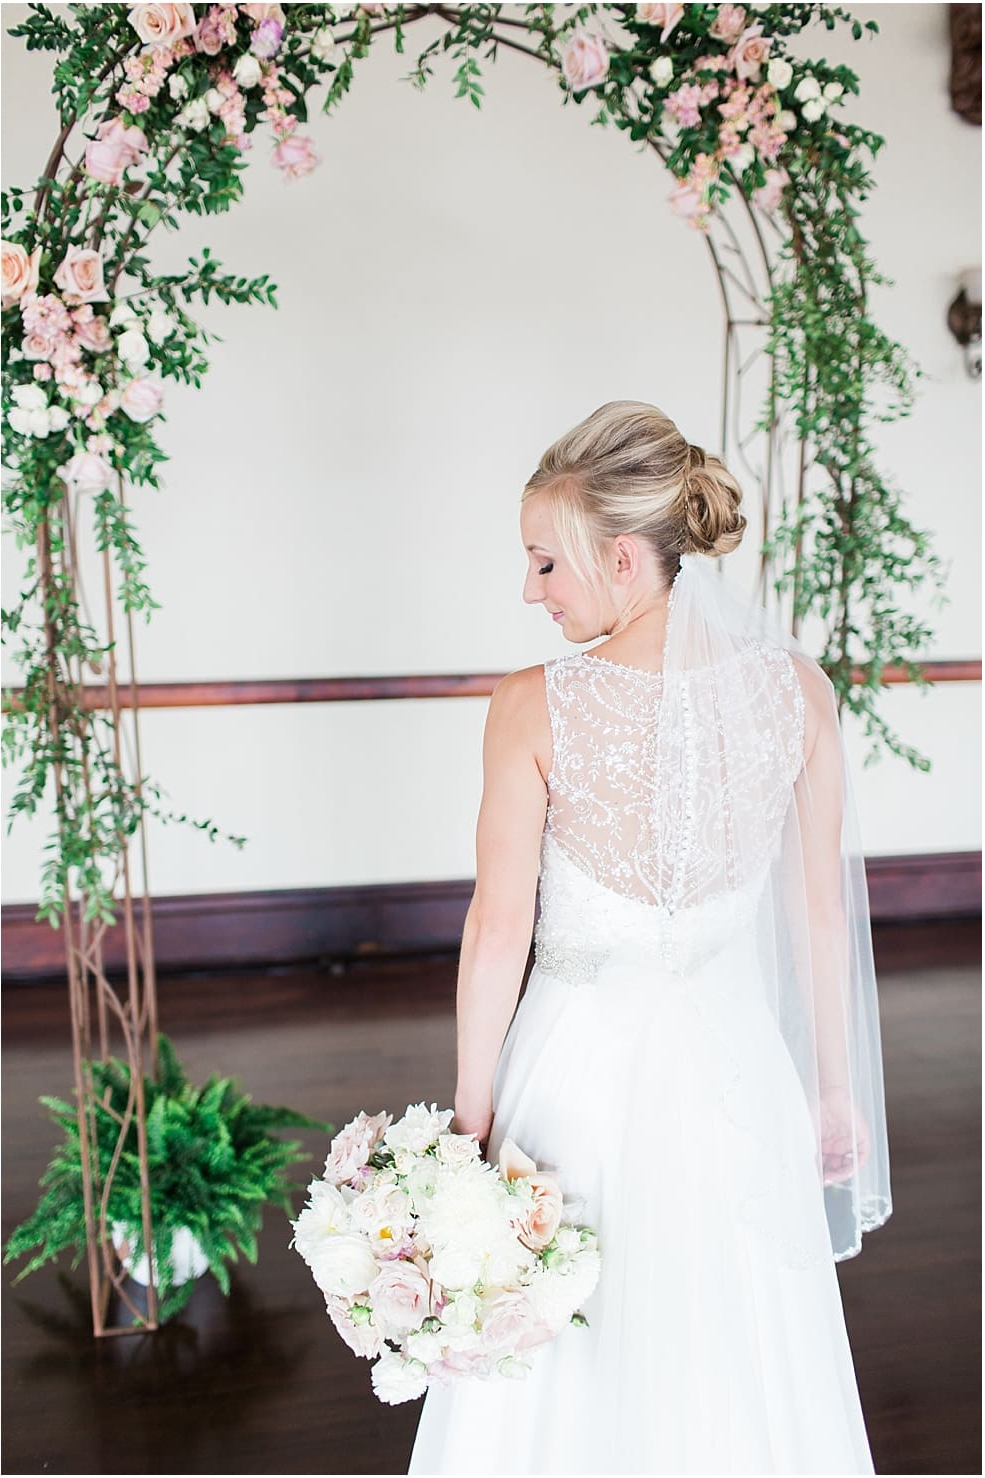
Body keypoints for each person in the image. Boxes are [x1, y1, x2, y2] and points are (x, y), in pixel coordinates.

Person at [409, 402, 889, 1473]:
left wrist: (470, 1119)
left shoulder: (531, 705)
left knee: (564, 1342)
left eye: (545, 562)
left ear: (623, 557)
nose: (531, 589)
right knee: (735, 1333)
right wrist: (832, 1088)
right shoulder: (798, 691)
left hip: (573, 1073)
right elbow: (820, 915)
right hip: (740, 1073)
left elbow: (498, 929)